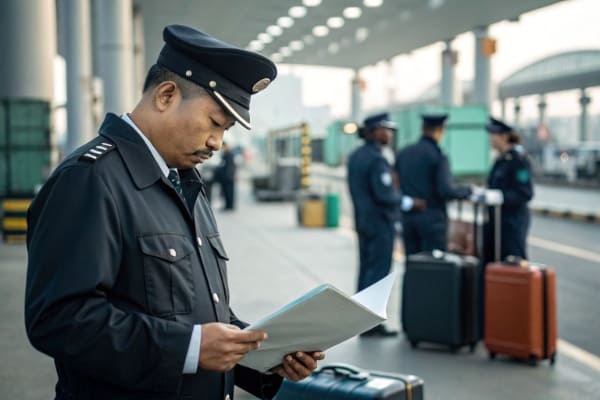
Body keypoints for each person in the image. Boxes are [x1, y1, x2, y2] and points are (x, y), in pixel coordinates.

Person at [24, 25, 323, 400]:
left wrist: (267, 357)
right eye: (215, 123)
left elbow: (197, 315)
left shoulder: (186, 182)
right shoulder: (90, 180)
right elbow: (58, 320)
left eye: (226, 130)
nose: (217, 142)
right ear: (166, 95)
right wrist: (188, 348)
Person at [347, 113, 424, 337]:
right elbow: (385, 194)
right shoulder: (377, 159)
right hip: (380, 223)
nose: (389, 134)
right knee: (378, 273)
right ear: (375, 131)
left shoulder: (356, 156)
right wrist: (410, 202)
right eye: (386, 130)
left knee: (365, 270)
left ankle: (360, 322)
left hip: (363, 222)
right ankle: (371, 324)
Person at [394, 114, 472, 256]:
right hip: (432, 219)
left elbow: (395, 183)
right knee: (433, 265)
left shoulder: (404, 153)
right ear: (441, 130)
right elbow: (445, 190)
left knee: (412, 263)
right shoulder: (438, 155)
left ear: (423, 129)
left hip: (408, 218)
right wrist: (467, 191)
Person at [481, 117, 534, 261]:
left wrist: (500, 197)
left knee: (512, 263)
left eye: (493, 135)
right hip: (495, 221)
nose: (491, 139)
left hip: (511, 223)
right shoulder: (500, 160)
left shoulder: (518, 160)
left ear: (504, 136)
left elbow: (525, 193)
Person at [215, 141, 237, 210]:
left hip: (228, 177)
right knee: (227, 192)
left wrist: (228, 176)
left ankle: (229, 206)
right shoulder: (228, 154)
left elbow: (230, 167)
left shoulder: (228, 154)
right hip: (228, 177)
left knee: (228, 192)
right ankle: (228, 205)